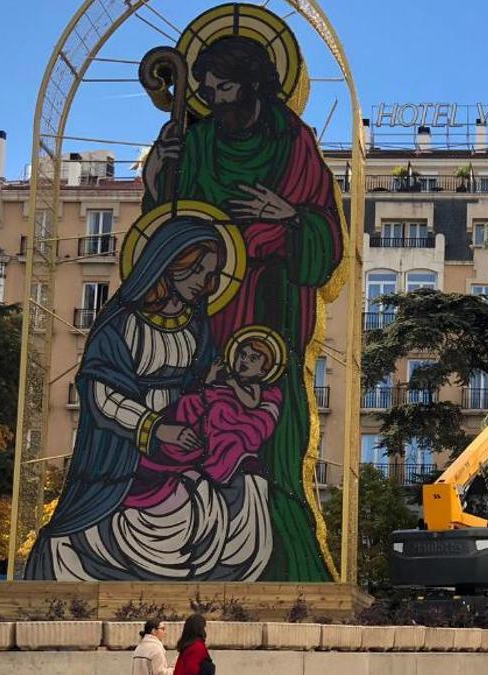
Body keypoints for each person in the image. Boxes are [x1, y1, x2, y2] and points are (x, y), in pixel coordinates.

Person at [143, 32, 346, 582]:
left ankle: (277, 527)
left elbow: (328, 236)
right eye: (206, 87)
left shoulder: (293, 140)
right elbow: (166, 221)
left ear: (254, 83)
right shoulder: (197, 137)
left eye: (224, 86)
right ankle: (187, 530)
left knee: (271, 418)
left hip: (273, 301)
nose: (213, 97)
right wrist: (159, 172)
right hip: (208, 297)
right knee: (199, 404)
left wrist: (289, 216)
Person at [25, 223, 275, 581]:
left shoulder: (196, 326)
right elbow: (101, 392)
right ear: (171, 263)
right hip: (130, 442)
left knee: (247, 488)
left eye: (211, 273)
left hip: (187, 435)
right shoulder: (120, 325)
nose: (204, 282)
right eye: (198, 269)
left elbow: (205, 383)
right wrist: (156, 427)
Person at [132, 328, 286, 503]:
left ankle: (208, 459)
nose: (244, 361)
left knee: (218, 410)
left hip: (229, 417)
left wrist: (235, 387)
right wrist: (212, 373)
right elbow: (207, 389)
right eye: (242, 355)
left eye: (253, 359)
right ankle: (179, 439)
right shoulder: (227, 377)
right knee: (188, 401)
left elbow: (251, 403)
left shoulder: (254, 386)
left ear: (262, 372)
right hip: (206, 410)